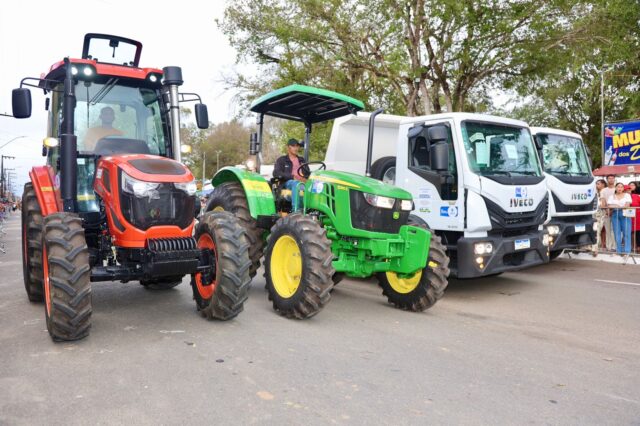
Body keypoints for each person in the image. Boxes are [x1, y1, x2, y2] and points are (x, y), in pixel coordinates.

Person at [273, 138, 310, 211]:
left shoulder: (302, 160)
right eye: (293, 146)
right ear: (288, 147)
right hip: (289, 183)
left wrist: (307, 179)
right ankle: (295, 210)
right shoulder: (282, 160)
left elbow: (308, 173)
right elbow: (276, 173)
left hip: (303, 183)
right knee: (296, 183)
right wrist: (293, 177)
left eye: (297, 146)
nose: (296, 148)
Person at [607, 182, 632, 254]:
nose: (619, 188)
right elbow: (609, 205)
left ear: (623, 188)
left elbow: (627, 204)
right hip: (615, 214)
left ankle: (627, 251)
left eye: (621, 187)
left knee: (626, 233)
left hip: (625, 214)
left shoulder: (627, 195)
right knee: (617, 233)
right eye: (618, 187)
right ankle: (619, 250)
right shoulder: (611, 196)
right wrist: (618, 206)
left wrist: (615, 205)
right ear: (615, 188)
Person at [601, 174, 617, 251]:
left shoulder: (617, 189)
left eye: (612, 178)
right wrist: (607, 211)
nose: (611, 179)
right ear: (607, 180)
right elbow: (603, 201)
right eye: (609, 178)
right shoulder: (603, 190)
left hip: (616, 212)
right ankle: (608, 246)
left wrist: (611, 210)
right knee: (608, 230)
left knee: (615, 230)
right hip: (606, 212)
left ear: (614, 179)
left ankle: (615, 246)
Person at [593, 178, 607, 254]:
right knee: (597, 231)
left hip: (602, 214)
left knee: (600, 231)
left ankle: (597, 248)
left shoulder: (604, 192)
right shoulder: (595, 192)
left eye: (598, 184)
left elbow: (603, 204)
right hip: (595, 214)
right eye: (596, 184)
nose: (596, 185)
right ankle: (596, 247)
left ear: (603, 184)